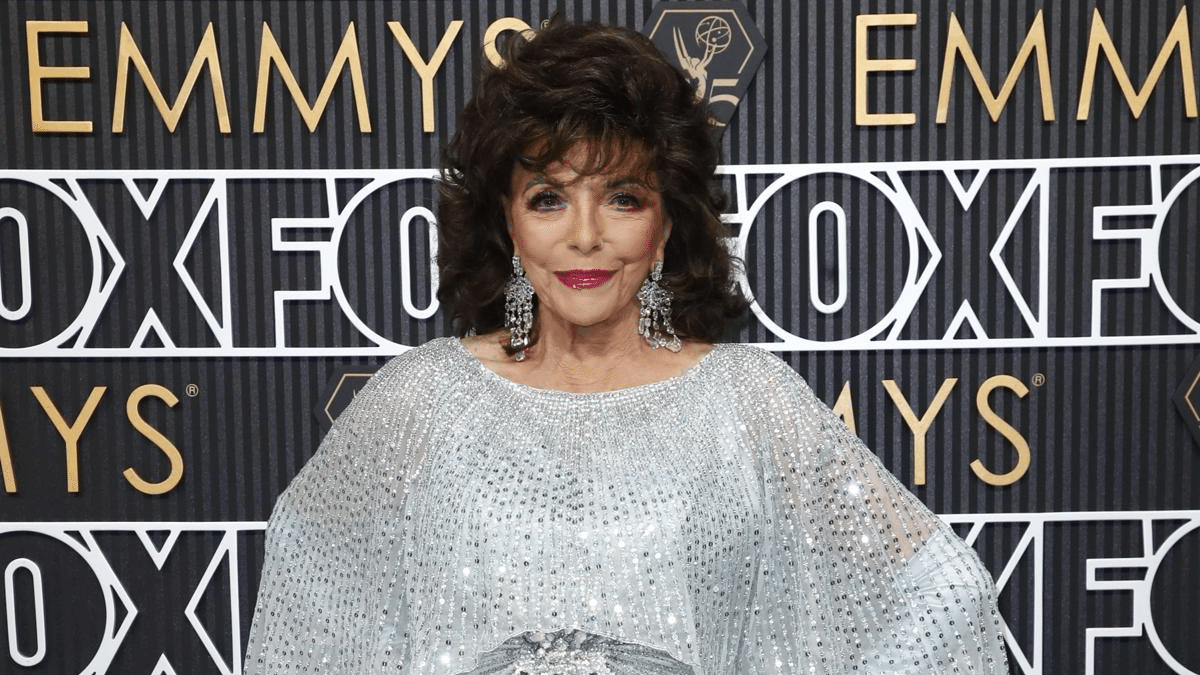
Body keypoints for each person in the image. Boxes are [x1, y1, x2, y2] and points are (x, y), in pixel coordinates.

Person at [244, 19, 1010, 675]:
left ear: (667, 221)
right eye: (548, 197)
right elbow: (306, 619)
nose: (585, 235)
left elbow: (933, 596)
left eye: (622, 197)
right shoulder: (422, 398)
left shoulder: (746, 398)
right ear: (506, 219)